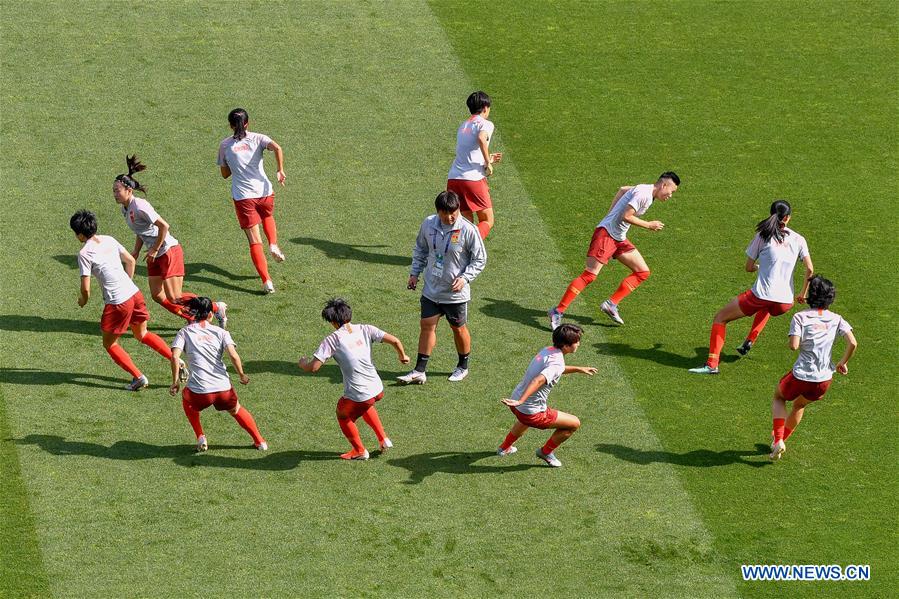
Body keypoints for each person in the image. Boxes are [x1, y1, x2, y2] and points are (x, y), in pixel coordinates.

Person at [690, 200, 814, 374]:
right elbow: (810, 268)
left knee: (720, 318)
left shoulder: (763, 235)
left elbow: (748, 267)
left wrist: (760, 267)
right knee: (768, 306)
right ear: (788, 218)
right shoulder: (799, 239)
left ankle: (711, 365)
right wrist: (802, 294)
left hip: (761, 296)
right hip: (785, 303)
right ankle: (750, 339)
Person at [548, 172, 680, 330]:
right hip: (606, 235)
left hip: (619, 238)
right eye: (671, 191)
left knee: (642, 272)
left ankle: (611, 305)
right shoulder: (644, 194)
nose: (670, 195)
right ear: (663, 185)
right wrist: (648, 225)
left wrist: (610, 213)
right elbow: (626, 216)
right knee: (589, 275)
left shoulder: (646, 191)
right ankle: (557, 311)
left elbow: (623, 189)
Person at [70, 209, 182, 391]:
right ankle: (175, 359)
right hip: (134, 294)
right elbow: (130, 260)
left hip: (117, 302)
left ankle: (139, 377)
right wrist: (126, 283)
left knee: (110, 343)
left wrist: (83, 300)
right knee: (142, 334)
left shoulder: (84, 253)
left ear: (80, 235)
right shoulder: (109, 239)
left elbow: (86, 288)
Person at [114, 155, 228, 327]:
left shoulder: (139, 205)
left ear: (129, 190)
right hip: (155, 253)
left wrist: (154, 249)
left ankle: (215, 307)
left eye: (118, 190)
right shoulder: (125, 209)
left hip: (168, 250)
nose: (115, 194)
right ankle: (192, 318)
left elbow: (164, 226)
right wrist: (136, 251)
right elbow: (141, 229)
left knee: (174, 296)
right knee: (157, 295)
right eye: (114, 190)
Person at [298, 298, 410, 460]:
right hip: (377, 388)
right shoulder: (365, 328)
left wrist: (303, 364)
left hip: (359, 394)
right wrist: (403, 356)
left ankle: (359, 451)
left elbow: (314, 367)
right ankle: (384, 439)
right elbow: (395, 340)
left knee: (344, 415)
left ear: (333, 322)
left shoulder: (332, 340)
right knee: (366, 404)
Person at [399, 191, 487, 384]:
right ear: (438, 211)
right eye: (444, 213)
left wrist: (465, 278)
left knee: (458, 328)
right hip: (431, 288)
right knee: (427, 326)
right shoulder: (428, 224)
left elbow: (480, 259)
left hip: (455, 294)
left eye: (453, 213)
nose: (449, 217)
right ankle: (419, 370)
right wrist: (415, 273)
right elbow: (421, 249)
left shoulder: (468, 229)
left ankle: (462, 366)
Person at [768, 276, 857, 460]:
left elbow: (794, 345)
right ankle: (783, 439)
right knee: (800, 405)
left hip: (801, 374)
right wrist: (843, 362)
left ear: (811, 295)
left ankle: (778, 440)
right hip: (823, 379)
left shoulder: (800, 317)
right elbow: (853, 343)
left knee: (779, 397)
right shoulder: (837, 318)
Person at [169, 297, 267, 452]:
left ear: (193, 314)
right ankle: (260, 441)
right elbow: (234, 356)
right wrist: (241, 375)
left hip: (199, 392)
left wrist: (175, 382)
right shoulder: (221, 332)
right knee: (236, 410)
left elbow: (174, 357)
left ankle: (200, 436)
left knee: (187, 401)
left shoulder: (184, 332)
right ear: (210, 315)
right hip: (223, 389)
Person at [497, 324, 597, 468]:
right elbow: (539, 380)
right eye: (576, 341)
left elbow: (554, 370)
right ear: (566, 345)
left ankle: (504, 447)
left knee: (524, 420)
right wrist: (521, 401)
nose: (578, 344)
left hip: (517, 404)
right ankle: (545, 452)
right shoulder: (557, 363)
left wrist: (578, 369)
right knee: (574, 424)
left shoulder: (547, 350)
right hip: (530, 411)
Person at [217, 108, 286, 294]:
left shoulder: (225, 145)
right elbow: (278, 148)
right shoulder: (259, 138)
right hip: (265, 192)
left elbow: (224, 174)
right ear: (247, 123)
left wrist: (234, 164)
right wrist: (280, 170)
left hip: (243, 197)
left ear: (231, 125)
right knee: (268, 215)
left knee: (254, 240)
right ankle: (273, 243)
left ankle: (267, 281)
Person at [446, 91, 502, 240]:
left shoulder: (463, 125)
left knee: (464, 223)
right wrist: (488, 164)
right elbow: (481, 138)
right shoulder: (486, 124)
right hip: (473, 181)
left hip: (454, 179)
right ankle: (469, 247)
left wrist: (487, 159)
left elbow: (467, 153)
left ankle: (454, 251)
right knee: (487, 220)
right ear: (485, 107)